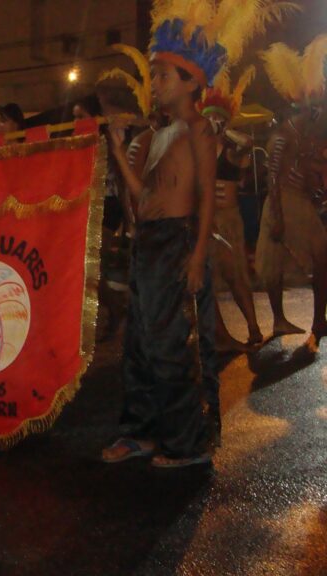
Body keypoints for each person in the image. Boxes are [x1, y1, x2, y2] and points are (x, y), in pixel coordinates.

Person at [100, 0, 291, 467]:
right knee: (141, 345)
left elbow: (206, 197)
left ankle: (190, 444)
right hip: (150, 243)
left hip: (180, 242)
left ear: (192, 83)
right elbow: (143, 195)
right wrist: (119, 150)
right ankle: (141, 432)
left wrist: (197, 254)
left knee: (176, 347)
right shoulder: (158, 135)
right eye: (156, 75)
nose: (156, 84)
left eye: (164, 75)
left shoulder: (200, 130)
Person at [257, 36, 327, 344]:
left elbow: (314, 169)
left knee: (323, 259)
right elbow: (272, 180)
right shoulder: (281, 137)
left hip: (301, 205)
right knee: (272, 268)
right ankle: (279, 320)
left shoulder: (307, 137)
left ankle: (318, 321)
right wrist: (277, 217)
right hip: (281, 205)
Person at [200, 73, 263, 352]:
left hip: (229, 222)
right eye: (209, 118)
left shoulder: (231, 150)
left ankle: (253, 327)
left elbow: (248, 144)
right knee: (207, 281)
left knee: (237, 277)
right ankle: (217, 335)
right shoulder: (198, 149)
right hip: (208, 222)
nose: (212, 123)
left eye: (218, 119)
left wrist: (224, 130)